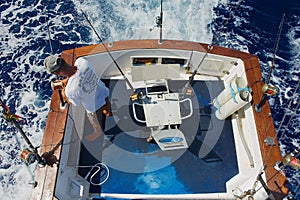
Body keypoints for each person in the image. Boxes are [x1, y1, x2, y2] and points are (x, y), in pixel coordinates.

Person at [44, 55, 112, 141]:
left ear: (56, 73)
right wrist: (67, 83)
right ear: (64, 61)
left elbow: (75, 103)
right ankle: (108, 111)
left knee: (96, 122)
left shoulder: (70, 91)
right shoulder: (82, 61)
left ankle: (97, 132)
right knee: (107, 103)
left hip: (94, 107)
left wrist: (64, 93)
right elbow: (79, 75)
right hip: (103, 91)